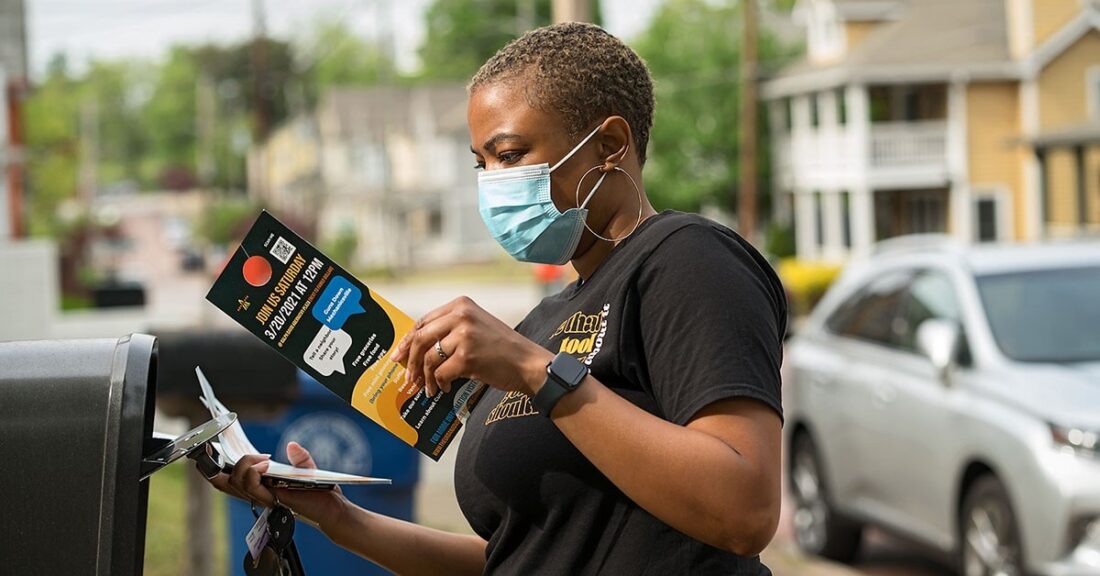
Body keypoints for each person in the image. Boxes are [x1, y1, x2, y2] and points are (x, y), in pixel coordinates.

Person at [206, 22, 787, 575]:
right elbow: (518, 560)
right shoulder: (544, 322)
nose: (493, 183)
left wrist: (534, 371)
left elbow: (745, 511)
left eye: (510, 156)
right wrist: (336, 517)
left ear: (610, 144)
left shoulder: (687, 259)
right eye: (481, 163)